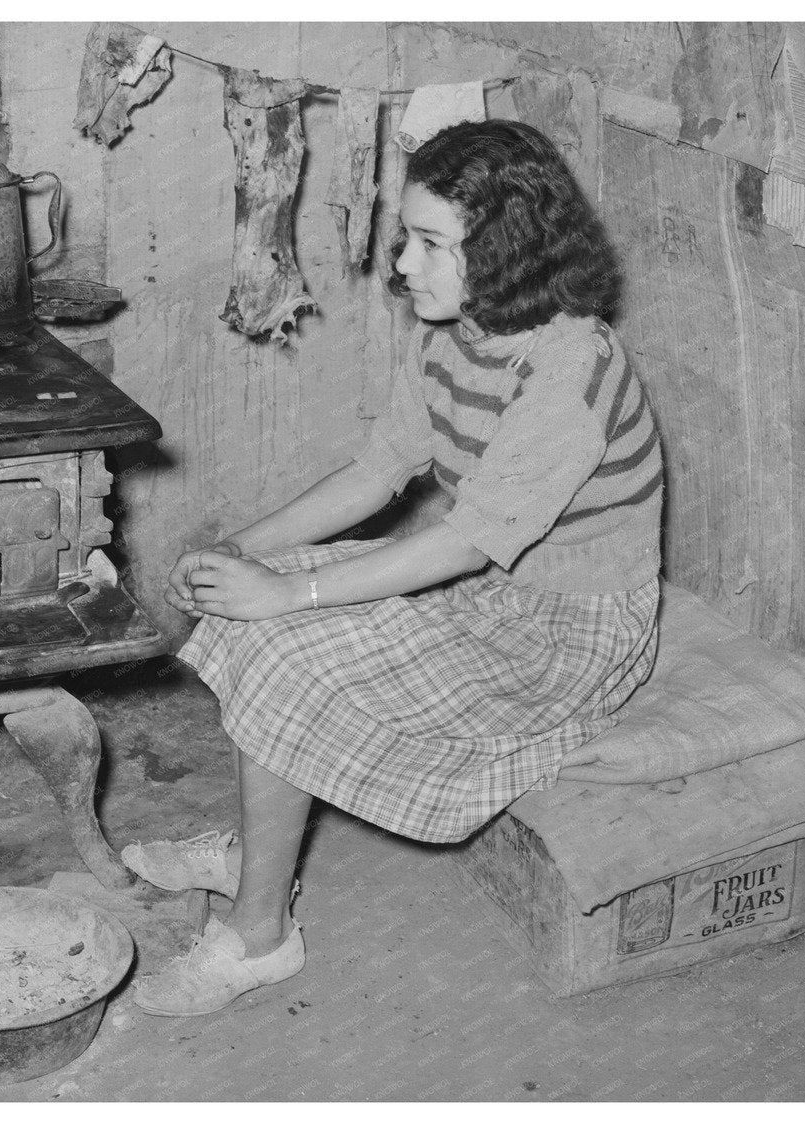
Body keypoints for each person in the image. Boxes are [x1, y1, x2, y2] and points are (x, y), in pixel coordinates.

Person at [124, 119, 664, 1018]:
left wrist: (288, 590)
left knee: (286, 646)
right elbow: (380, 471)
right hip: (492, 587)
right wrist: (244, 551)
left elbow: (463, 542)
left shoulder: (570, 368)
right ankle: (259, 857)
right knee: (248, 611)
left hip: (568, 632)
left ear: (507, 249)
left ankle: (260, 937)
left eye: (429, 244)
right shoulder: (459, 333)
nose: (403, 265)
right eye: (405, 237)